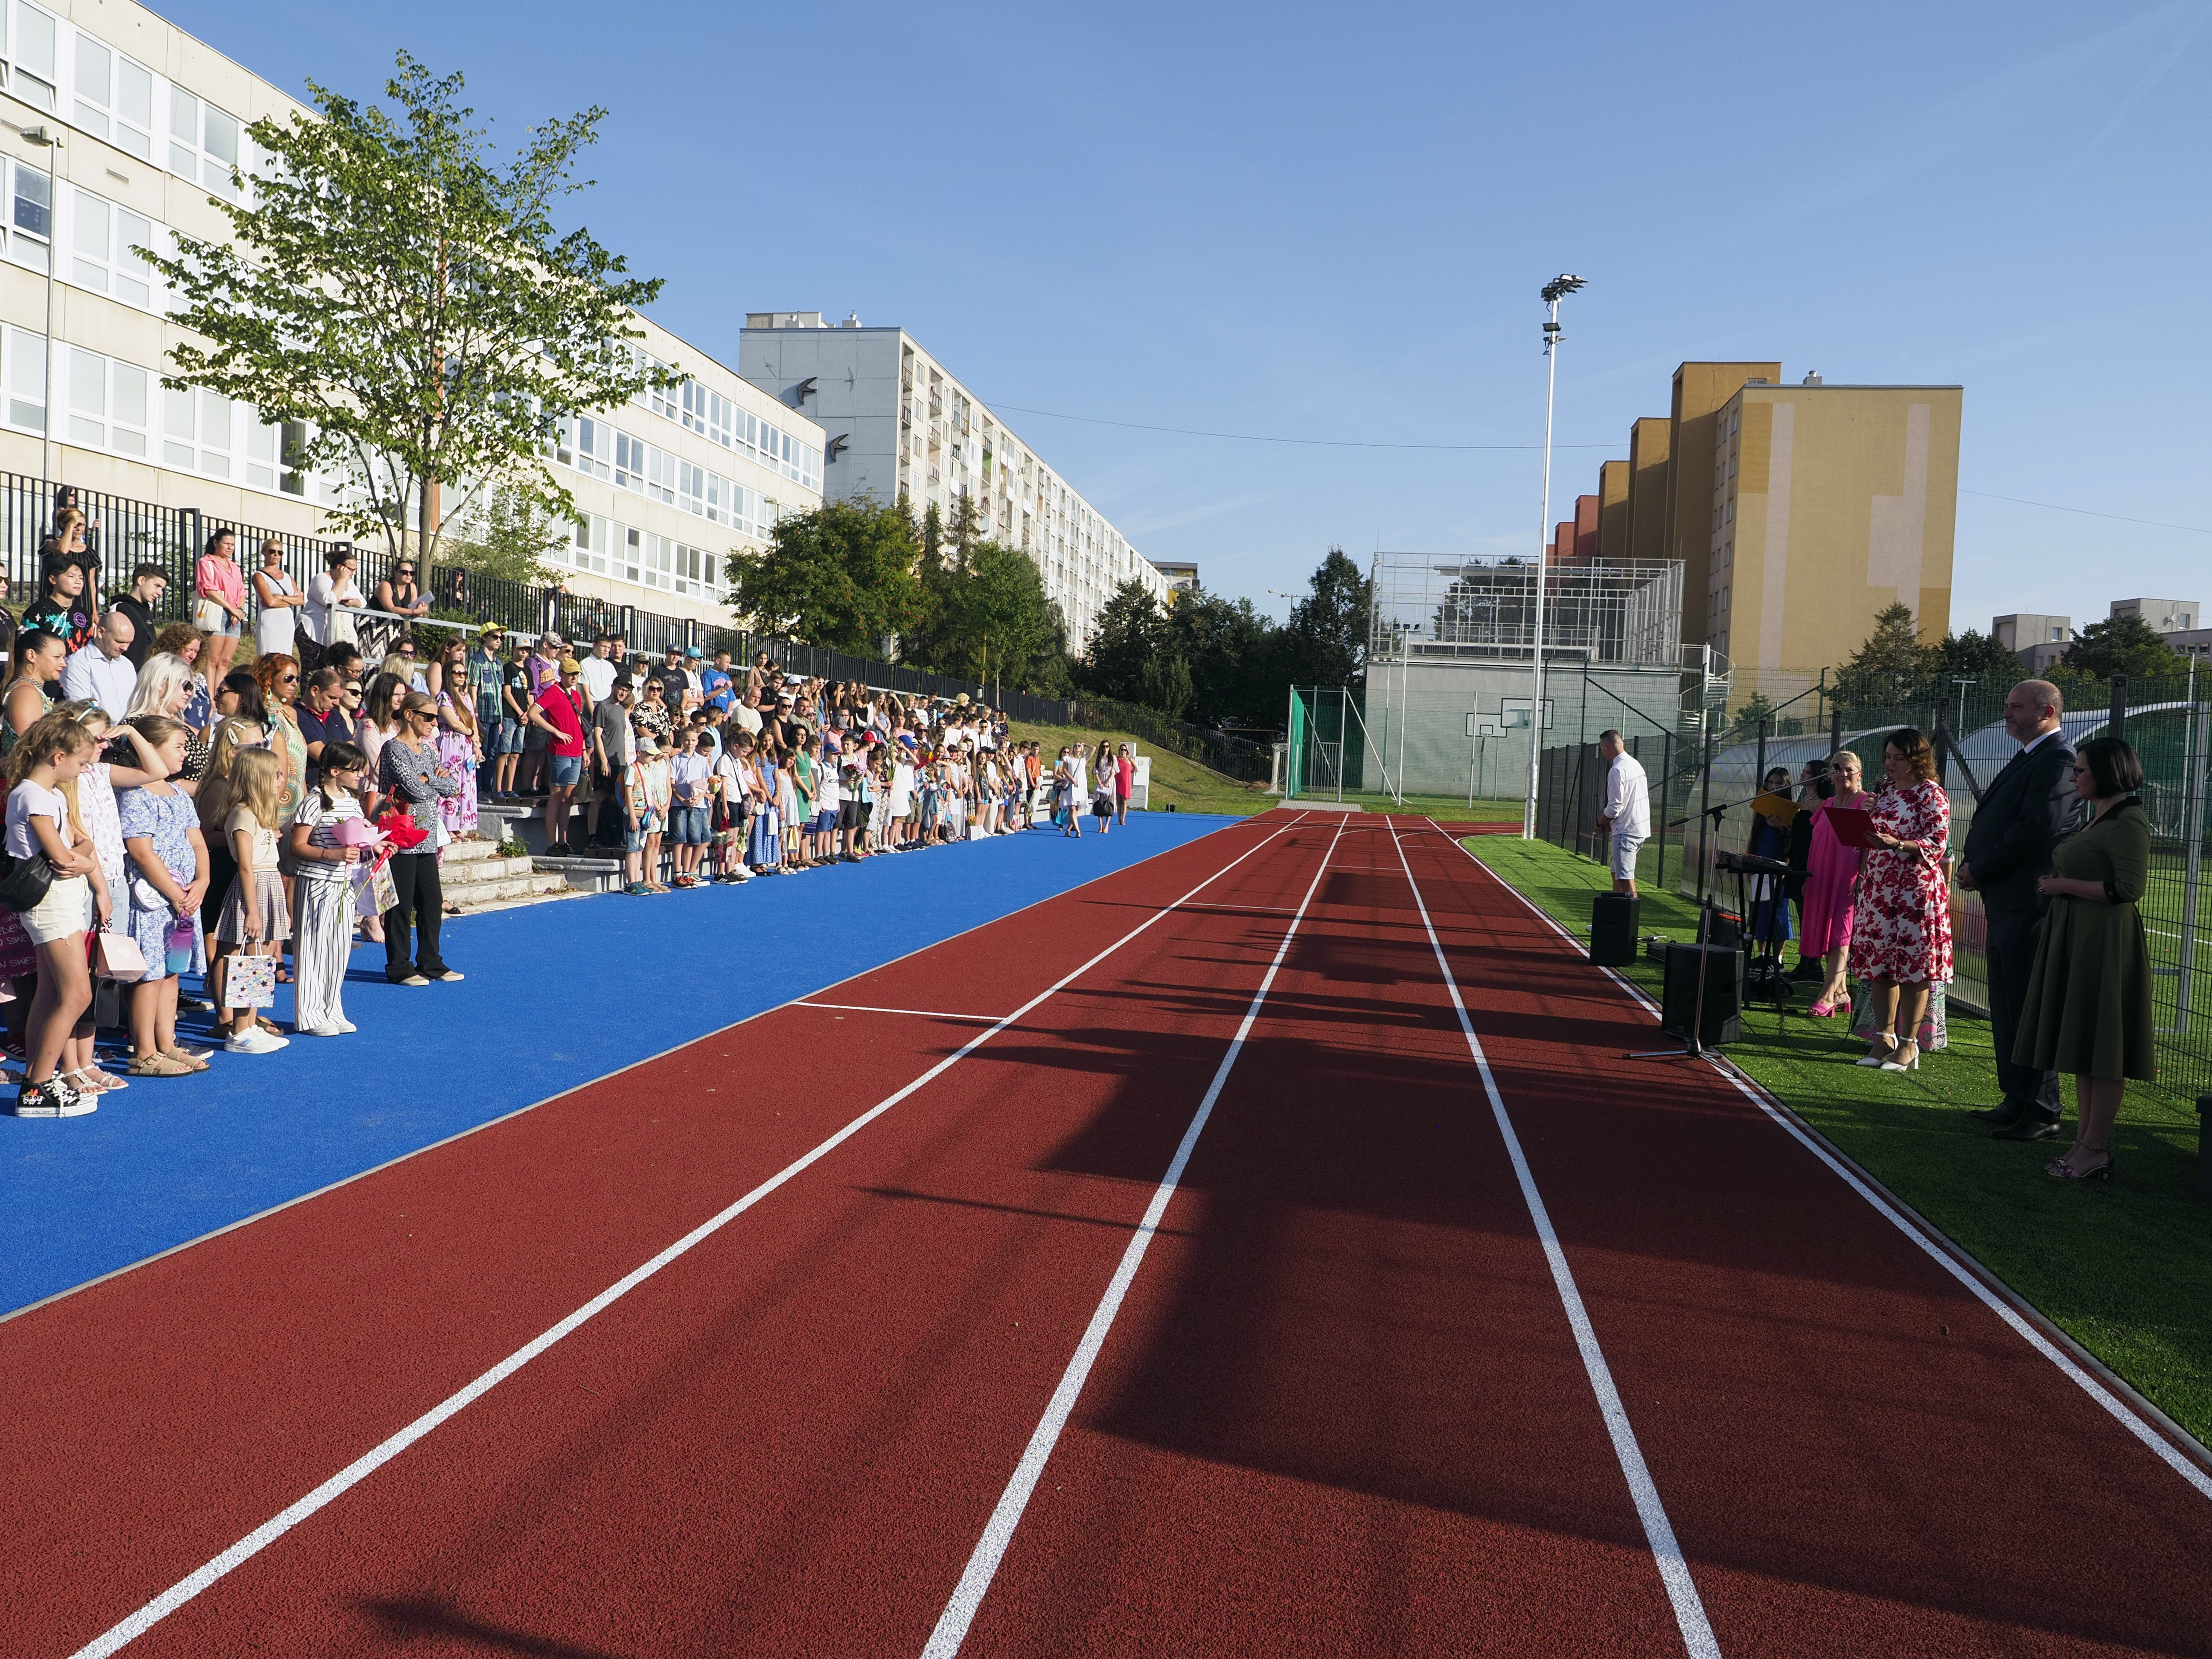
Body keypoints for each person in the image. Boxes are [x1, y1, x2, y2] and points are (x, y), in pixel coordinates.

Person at [2014, 736, 2154, 1179]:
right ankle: (2083, 1142)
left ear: (2107, 774)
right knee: (2084, 1042)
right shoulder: (2098, 818)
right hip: (2077, 936)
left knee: (2105, 1047)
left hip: (2104, 944)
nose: (2073, 777)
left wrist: (2063, 886)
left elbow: (2127, 890)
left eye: (2081, 771)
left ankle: (2096, 1148)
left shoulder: (2129, 821)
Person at [1958, 679, 2077, 1140]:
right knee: (2007, 1005)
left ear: (2046, 712)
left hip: (2027, 902)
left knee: (2028, 1005)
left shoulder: (2058, 759)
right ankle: (2017, 1096)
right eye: (2007, 705)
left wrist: (1981, 868)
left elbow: (2036, 828)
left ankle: (2043, 1109)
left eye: (2016, 707)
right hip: (2005, 900)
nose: (2007, 714)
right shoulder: (2031, 755)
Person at [6, 712, 107, 1116]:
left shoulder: (54, 796)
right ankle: (38, 1085)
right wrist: (82, 858)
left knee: (50, 994)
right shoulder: (31, 795)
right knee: (77, 993)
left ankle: (37, 1078)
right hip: (50, 902)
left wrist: (80, 857)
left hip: (64, 898)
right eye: (82, 762)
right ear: (58, 756)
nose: (84, 769)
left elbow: (82, 845)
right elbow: (65, 855)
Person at [1850, 728, 1953, 1073]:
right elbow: (1869, 840)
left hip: (1915, 890)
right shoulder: (1886, 793)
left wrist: (1896, 844)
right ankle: (1884, 1038)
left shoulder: (1931, 794)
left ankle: (1909, 1045)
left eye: (1899, 758)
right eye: (1888, 757)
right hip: (1880, 889)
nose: (1891, 764)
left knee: (1913, 968)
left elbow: (1936, 844)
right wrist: (1865, 820)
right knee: (1879, 966)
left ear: (1918, 759)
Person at [116, 715, 210, 1077]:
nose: (185, 754)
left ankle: (167, 1043)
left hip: (185, 902)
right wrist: (174, 893)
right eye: (179, 747)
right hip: (153, 903)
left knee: (172, 973)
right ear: (150, 750)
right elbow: (141, 852)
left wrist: (201, 882)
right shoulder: (135, 797)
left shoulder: (178, 794)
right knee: (150, 975)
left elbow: (197, 841)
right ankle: (144, 1051)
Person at [378, 692, 463, 984]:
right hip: (401, 835)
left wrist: (433, 781)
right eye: (428, 717)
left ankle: (431, 961)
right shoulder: (393, 749)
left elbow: (452, 784)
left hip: (427, 835)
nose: (433, 723)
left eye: (436, 718)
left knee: (431, 900)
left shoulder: (427, 751)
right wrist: (432, 782)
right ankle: (399, 965)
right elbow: (415, 790)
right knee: (400, 905)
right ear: (410, 715)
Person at [212, 747, 291, 1054]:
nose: (281, 780)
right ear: (259, 778)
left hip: (267, 880)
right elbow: (245, 865)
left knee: (262, 956)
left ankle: (250, 1024)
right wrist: (253, 911)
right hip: (254, 885)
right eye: (276, 775)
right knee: (246, 957)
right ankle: (239, 1029)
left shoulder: (260, 813)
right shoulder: (244, 814)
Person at [288, 740, 367, 1036]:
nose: (360, 775)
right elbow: (298, 846)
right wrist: (331, 855)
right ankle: (309, 1016)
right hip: (316, 883)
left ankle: (332, 1009)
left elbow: (362, 834)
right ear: (335, 770)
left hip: (344, 884)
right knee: (314, 948)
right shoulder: (314, 801)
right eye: (355, 770)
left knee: (339, 949)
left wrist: (379, 842)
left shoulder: (350, 799)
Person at [1801, 751, 1869, 1017]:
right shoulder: (1827, 804)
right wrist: (1808, 876)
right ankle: (1840, 992)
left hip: (1848, 878)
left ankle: (1827, 995)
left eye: (1849, 769)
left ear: (1859, 773)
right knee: (1828, 937)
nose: (1843, 774)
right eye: (1837, 768)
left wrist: (1862, 877)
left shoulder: (1865, 802)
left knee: (1841, 936)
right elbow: (1815, 842)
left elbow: (1869, 846)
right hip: (1821, 874)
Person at [528, 658, 588, 855]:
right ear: (561, 674)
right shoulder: (553, 692)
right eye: (571, 673)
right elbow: (533, 713)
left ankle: (563, 840)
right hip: (560, 751)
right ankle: (551, 842)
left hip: (576, 751)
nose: (574, 677)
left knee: (568, 798)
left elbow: (578, 723)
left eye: (577, 674)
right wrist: (555, 731)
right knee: (557, 796)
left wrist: (584, 749)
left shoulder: (577, 696)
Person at [432, 637, 481, 837]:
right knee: (451, 782)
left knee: (466, 783)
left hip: (467, 744)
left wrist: (476, 741)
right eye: (457, 673)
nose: (461, 676)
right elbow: (453, 722)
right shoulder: (444, 696)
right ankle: (448, 825)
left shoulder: (467, 696)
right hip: (452, 742)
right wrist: (470, 733)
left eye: (464, 673)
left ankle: (461, 824)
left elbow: (472, 720)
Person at [1594, 730, 1649, 896]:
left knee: (1625, 879)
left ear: (1606, 747)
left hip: (1626, 831)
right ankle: (1617, 917)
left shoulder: (1617, 770)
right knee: (1618, 874)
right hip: (1636, 827)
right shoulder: (1635, 765)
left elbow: (1615, 806)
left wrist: (1600, 822)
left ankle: (1629, 919)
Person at [193, 527, 247, 689]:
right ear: (216, 543)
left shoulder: (235, 567)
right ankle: (209, 696)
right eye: (227, 543)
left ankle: (219, 697)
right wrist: (231, 608)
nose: (230, 547)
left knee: (225, 661)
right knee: (212, 660)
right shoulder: (206, 563)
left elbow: (242, 591)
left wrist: (239, 610)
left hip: (234, 615)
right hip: (217, 613)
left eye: (233, 544)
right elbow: (209, 590)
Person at [61, 609, 137, 721]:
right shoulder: (79, 663)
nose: (125, 648)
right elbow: (81, 709)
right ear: (101, 632)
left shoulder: (127, 665)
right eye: (119, 642)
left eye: (129, 643)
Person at [3, 629, 68, 752]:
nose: (64, 664)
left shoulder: (31, 690)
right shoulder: (25, 693)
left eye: (63, 657)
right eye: (57, 657)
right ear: (32, 656)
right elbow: (31, 748)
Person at [302, 546, 366, 667]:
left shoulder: (350, 583)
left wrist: (353, 602)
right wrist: (342, 580)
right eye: (351, 570)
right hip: (314, 631)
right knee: (314, 669)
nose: (354, 573)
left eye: (355, 570)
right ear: (340, 567)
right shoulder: (321, 579)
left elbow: (363, 602)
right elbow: (330, 600)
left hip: (336, 633)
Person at [26, 551, 98, 656]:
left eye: (81, 578)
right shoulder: (39, 609)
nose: (78, 582)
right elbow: (26, 644)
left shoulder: (84, 614)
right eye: (72, 576)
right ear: (53, 579)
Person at [252, 540, 303, 661]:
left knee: (285, 657)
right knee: (268, 656)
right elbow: (270, 602)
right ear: (264, 552)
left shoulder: (288, 577)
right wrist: (291, 601)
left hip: (286, 621)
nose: (276, 555)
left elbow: (301, 600)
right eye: (272, 551)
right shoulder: (260, 576)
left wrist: (281, 597)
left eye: (280, 552)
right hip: (270, 619)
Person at [112, 564, 167, 669]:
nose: (160, 593)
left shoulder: (145, 611)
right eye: (157, 586)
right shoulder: (120, 608)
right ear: (141, 580)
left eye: (162, 589)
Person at [1092, 744, 1116, 835]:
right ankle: (1101, 825)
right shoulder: (1099, 758)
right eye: (1104, 747)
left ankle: (1107, 825)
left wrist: (1108, 782)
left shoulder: (1113, 758)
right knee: (1099, 803)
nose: (1106, 748)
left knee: (1109, 803)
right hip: (1100, 782)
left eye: (1107, 746)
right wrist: (1100, 782)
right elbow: (1096, 771)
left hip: (1110, 782)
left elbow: (1114, 771)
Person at [1114, 744, 1135, 827]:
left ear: (1127, 751)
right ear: (1119, 751)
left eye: (1125, 750)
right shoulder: (1116, 759)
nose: (1123, 751)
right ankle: (1119, 819)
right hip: (1118, 781)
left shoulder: (1130, 760)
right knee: (1119, 802)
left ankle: (1123, 820)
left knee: (1124, 801)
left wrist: (1128, 773)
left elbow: (1136, 768)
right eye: (1122, 750)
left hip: (1126, 783)